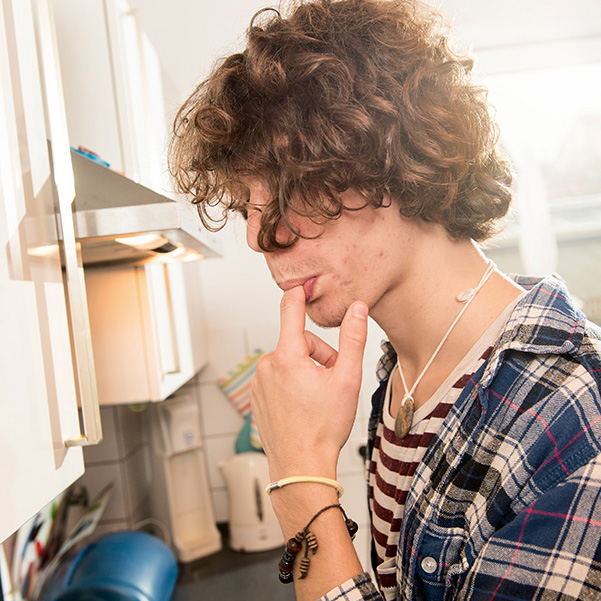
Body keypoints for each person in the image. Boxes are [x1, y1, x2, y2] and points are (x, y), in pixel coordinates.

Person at [168, 0, 601, 599]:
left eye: (288, 189)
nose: (257, 237)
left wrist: (300, 475)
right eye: (247, 207)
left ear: (393, 158)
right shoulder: (400, 375)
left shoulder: (573, 416)